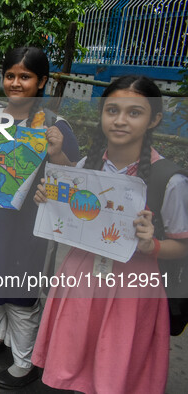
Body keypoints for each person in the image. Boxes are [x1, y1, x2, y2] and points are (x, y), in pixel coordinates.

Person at [31, 75, 188, 394]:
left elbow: (183, 246)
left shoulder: (170, 180)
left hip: (132, 289)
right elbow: (75, 205)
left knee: (114, 367)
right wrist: (50, 199)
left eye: (134, 112)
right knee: (76, 355)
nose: (120, 120)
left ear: (154, 118)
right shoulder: (90, 165)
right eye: (112, 110)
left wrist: (152, 245)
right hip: (81, 277)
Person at [0, 47, 79, 389]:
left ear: (41, 82)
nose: (15, 83)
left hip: (25, 225)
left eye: (25, 77)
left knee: (19, 291)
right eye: (10, 75)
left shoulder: (55, 127)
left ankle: (26, 361)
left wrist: (58, 156)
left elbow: (76, 181)